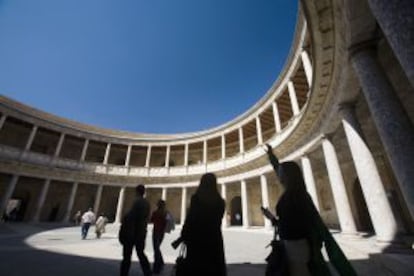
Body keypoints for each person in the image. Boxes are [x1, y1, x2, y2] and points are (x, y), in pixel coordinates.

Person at [262, 144, 357, 276]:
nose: (279, 175)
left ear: (289, 176)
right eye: (279, 172)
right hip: (290, 245)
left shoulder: (298, 195)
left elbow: (303, 224)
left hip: (298, 248)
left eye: (281, 173)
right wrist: (272, 218)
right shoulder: (294, 193)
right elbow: (288, 222)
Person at [172, 173, 227, 276]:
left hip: (197, 240)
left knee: (195, 269)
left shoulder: (196, 199)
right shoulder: (221, 202)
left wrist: (183, 236)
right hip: (214, 240)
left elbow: (190, 221)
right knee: (213, 268)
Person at [119, 184, 152, 276]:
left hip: (132, 232)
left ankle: (124, 273)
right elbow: (146, 217)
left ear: (137, 192)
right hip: (141, 232)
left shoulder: (136, 202)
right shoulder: (147, 203)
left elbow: (132, 217)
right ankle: (147, 271)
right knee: (141, 254)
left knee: (127, 256)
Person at [150, 199, 167, 274]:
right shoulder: (165, 213)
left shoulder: (155, 212)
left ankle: (156, 268)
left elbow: (151, 220)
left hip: (156, 232)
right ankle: (161, 262)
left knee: (156, 249)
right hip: (162, 233)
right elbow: (167, 223)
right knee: (157, 248)